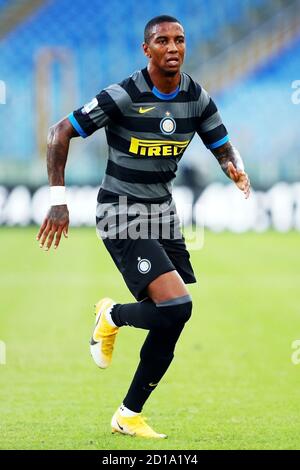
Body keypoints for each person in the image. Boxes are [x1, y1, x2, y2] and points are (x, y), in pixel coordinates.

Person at [36, 15, 250, 439]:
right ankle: (110, 315)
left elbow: (220, 143)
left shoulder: (196, 97)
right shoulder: (123, 94)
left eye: (180, 40)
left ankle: (127, 414)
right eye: (162, 41)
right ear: (146, 49)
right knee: (178, 306)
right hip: (121, 211)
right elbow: (59, 132)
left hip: (162, 214)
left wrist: (233, 167)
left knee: (172, 319)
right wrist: (58, 202)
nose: (173, 47)